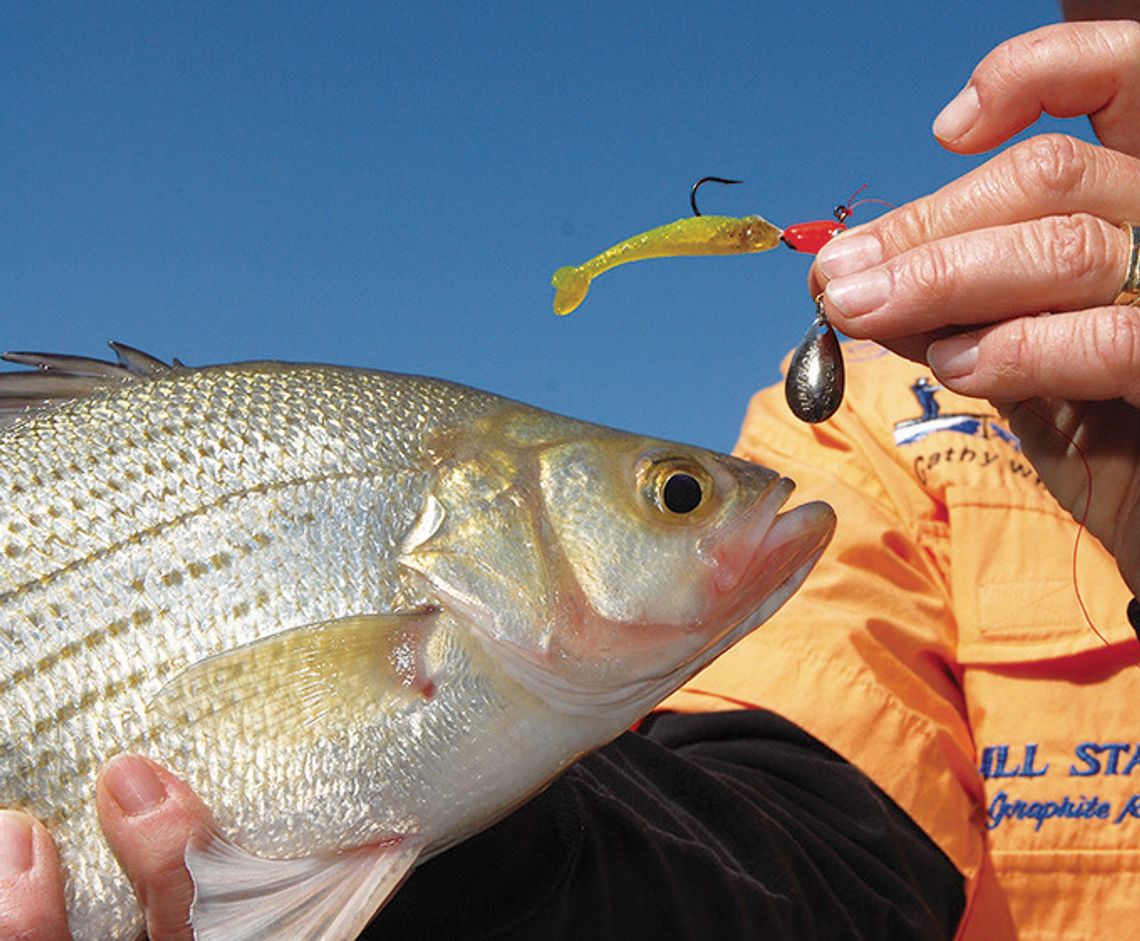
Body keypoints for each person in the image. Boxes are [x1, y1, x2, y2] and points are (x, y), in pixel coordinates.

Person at [5, 5, 1140, 938]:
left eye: (675, 491)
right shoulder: (882, 429)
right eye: (674, 495)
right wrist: (472, 866)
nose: (702, 508)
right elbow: (830, 873)